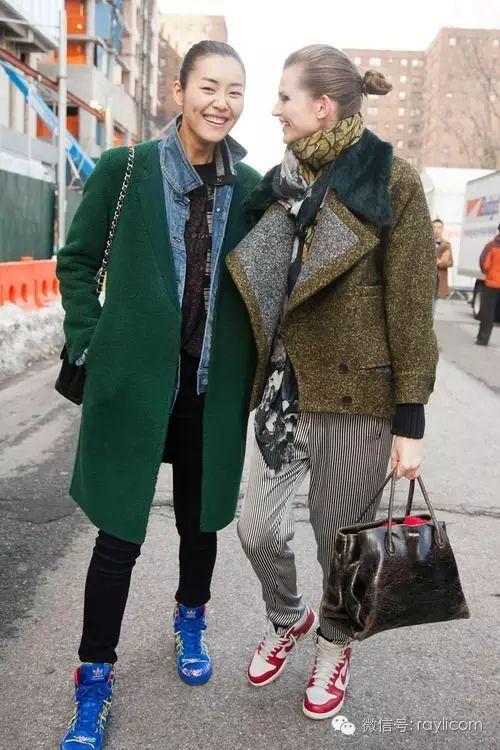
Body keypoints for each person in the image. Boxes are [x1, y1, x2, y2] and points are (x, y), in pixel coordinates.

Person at [56, 41, 260, 750]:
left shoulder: (250, 185)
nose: (220, 103)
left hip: (210, 391)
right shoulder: (126, 169)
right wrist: (89, 340)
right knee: (118, 537)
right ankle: (93, 677)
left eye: (234, 91)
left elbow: (266, 284)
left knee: (200, 528)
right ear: (179, 91)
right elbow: (77, 262)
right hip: (136, 390)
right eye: (208, 86)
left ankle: (189, 620)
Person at [226, 45, 438, 721]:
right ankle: (289, 616)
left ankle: (334, 644)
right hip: (283, 393)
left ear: (321, 106)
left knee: (340, 543)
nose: (273, 109)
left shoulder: (390, 181)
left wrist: (410, 417)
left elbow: (411, 304)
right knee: (256, 530)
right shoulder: (279, 185)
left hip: (356, 398)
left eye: (284, 97)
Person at [476, 223, 500, 345]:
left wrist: (488, 272)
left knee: (488, 313)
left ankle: (483, 339)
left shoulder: (492, 245)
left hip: (491, 284)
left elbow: (484, 263)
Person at [432, 218, 453, 314]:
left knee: (434, 303)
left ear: (442, 229)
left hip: (439, 279)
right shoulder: (426, 244)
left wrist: (439, 262)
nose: (437, 230)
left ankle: (430, 321)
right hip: (428, 278)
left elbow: (451, 262)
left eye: (439, 227)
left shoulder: (447, 245)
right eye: (434, 227)